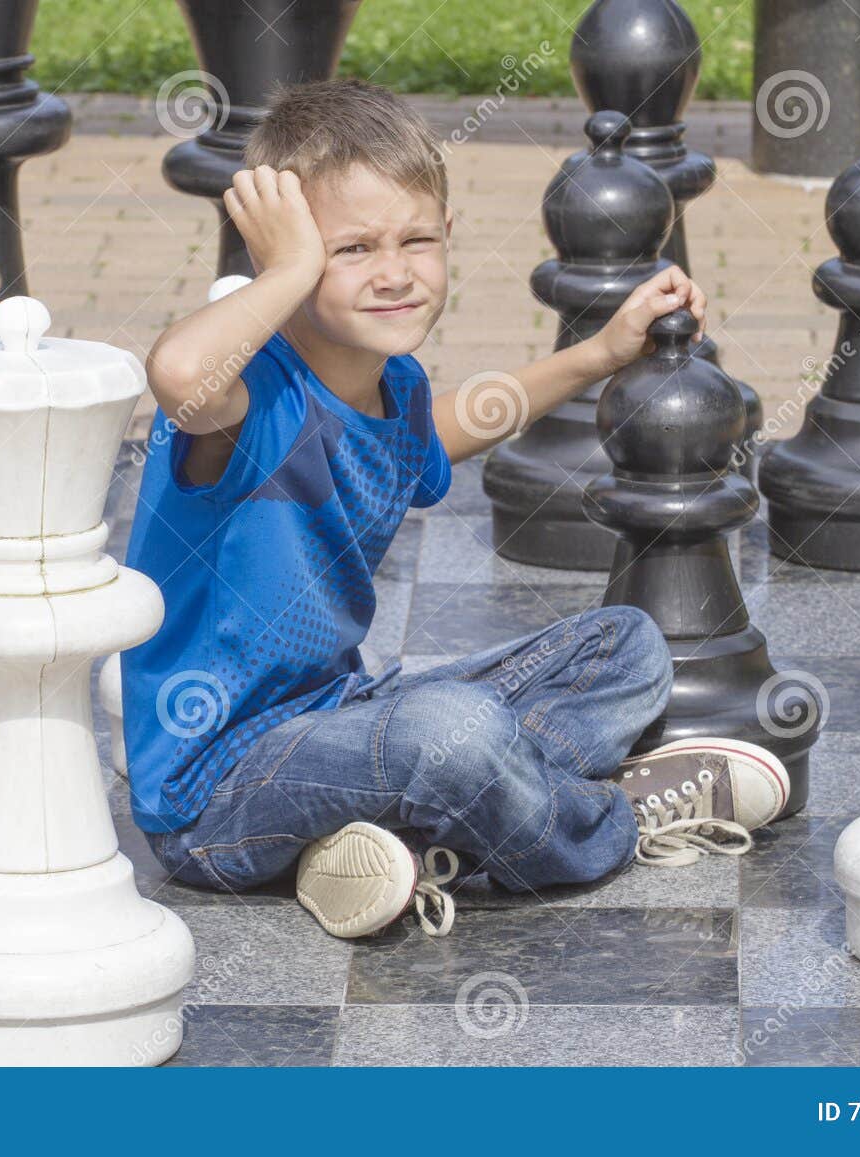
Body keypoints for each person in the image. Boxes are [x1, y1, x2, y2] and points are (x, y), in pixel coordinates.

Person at [121, 77, 787, 941]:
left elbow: (448, 428)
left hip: (339, 718)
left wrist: (598, 354)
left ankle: (403, 840)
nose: (395, 272)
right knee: (452, 732)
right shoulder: (253, 396)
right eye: (350, 249)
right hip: (214, 792)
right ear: (283, 258)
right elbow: (176, 376)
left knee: (624, 644)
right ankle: (604, 821)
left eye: (417, 240)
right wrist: (284, 269)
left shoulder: (391, 387)